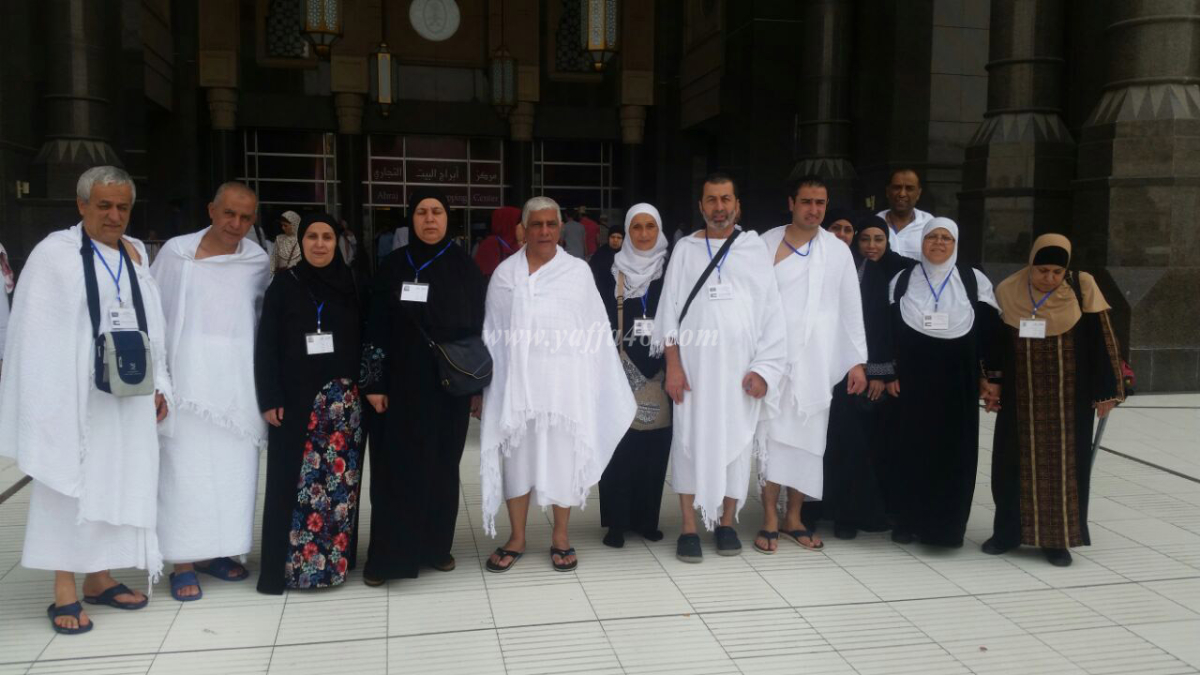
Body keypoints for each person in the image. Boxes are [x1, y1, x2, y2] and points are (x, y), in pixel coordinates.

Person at [0, 166, 173, 634]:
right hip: (73, 398)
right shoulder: (54, 255)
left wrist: (160, 384)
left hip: (127, 393)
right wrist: (51, 401)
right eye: (104, 206)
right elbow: (36, 335)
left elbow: (153, 325)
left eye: (122, 207)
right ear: (81, 206)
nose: (114, 216)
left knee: (116, 481)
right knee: (68, 487)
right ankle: (64, 590)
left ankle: (99, 577)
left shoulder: (134, 255)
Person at [480, 196, 635, 573]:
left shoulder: (577, 272)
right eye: (537, 224)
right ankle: (517, 537)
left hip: (564, 388)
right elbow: (493, 337)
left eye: (551, 224)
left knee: (564, 462)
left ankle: (561, 536)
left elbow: (595, 330)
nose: (544, 231)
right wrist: (491, 390)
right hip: (518, 391)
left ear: (561, 228)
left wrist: (593, 383)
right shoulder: (505, 275)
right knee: (517, 463)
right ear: (524, 229)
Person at [653, 173, 787, 562]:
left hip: (739, 372)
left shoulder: (753, 249)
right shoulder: (685, 250)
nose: (719, 207)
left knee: (736, 445)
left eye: (726, 199)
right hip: (693, 371)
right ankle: (689, 528)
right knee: (688, 444)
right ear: (701, 206)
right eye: (711, 200)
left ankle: (727, 523)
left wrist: (764, 370)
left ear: (737, 205)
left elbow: (772, 314)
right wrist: (673, 367)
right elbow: (669, 311)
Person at [151, 182, 270, 601]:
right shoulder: (176, 253)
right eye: (229, 214)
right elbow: (155, 317)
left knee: (233, 473)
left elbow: (263, 320)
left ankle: (218, 552)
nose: (236, 224)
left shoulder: (257, 260)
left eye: (246, 217)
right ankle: (183, 562)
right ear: (211, 210)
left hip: (237, 385)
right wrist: (158, 381)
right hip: (186, 384)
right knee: (184, 474)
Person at [361, 189, 486, 585]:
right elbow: (375, 325)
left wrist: (477, 389)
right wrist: (374, 381)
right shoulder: (393, 264)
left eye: (436, 212)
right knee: (394, 470)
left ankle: (435, 547)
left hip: (448, 387)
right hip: (398, 388)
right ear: (410, 219)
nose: (429, 219)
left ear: (448, 218)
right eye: (421, 212)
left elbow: (480, 332)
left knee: (442, 468)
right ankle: (388, 557)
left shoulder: (464, 267)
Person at [982, 234, 1125, 567]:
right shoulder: (1009, 289)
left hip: (1068, 399)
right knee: (1011, 465)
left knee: (1064, 469)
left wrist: (1107, 391)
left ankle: (1057, 541)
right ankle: (1007, 533)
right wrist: (993, 384)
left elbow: (1104, 339)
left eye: (1056, 272)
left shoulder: (1082, 287)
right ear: (1030, 264)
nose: (1049, 278)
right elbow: (997, 346)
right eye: (1042, 270)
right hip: (1020, 398)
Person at [753, 177, 867, 554]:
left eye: (820, 203)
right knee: (771, 438)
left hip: (816, 361)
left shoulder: (836, 251)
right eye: (806, 201)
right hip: (772, 361)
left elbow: (850, 307)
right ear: (791, 203)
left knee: (807, 442)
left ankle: (794, 517)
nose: (814, 209)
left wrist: (856, 362)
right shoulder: (765, 244)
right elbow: (750, 302)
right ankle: (769, 517)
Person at [255, 213, 365, 593]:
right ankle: (285, 569)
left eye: (327, 237)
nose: (320, 244)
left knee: (338, 488)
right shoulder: (284, 285)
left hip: (343, 405)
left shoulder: (352, 283)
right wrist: (269, 396)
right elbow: (266, 345)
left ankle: (332, 566)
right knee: (290, 484)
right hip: (295, 400)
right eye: (312, 237)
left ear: (338, 243)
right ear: (301, 242)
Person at [888, 217, 1001, 547]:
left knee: (955, 453)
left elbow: (990, 335)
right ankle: (908, 521)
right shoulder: (902, 280)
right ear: (922, 241)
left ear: (956, 243)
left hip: (958, 383)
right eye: (932, 237)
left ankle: (947, 528)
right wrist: (888, 372)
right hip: (913, 383)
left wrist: (991, 378)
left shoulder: (973, 280)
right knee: (911, 450)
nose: (938, 243)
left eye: (946, 238)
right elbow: (886, 333)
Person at [815, 213, 906, 540]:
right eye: (835, 228)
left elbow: (878, 325)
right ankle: (813, 509)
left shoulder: (868, 271)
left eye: (847, 229)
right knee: (817, 441)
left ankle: (846, 513)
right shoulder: (815, 262)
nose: (842, 234)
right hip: (817, 365)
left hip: (854, 372)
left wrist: (878, 371)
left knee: (849, 443)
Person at [594, 203, 672, 548]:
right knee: (618, 445)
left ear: (659, 230)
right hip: (617, 367)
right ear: (626, 231)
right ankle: (616, 522)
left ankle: (646, 520)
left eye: (650, 226)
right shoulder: (608, 269)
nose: (643, 234)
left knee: (653, 446)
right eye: (636, 227)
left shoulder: (670, 270)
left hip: (659, 369)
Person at [876, 168, 934, 260]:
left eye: (909, 188)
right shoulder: (875, 222)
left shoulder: (929, 223)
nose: (902, 194)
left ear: (918, 193)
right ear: (887, 191)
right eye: (897, 188)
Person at [473, 206, 523, 278]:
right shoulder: (490, 245)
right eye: (519, 223)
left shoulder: (518, 244)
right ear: (509, 223)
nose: (523, 227)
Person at [587, 223, 624, 289]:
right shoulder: (600, 254)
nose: (615, 240)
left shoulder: (628, 255)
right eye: (612, 237)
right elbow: (590, 274)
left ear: (623, 240)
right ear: (608, 238)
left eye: (619, 238)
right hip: (602, 292)